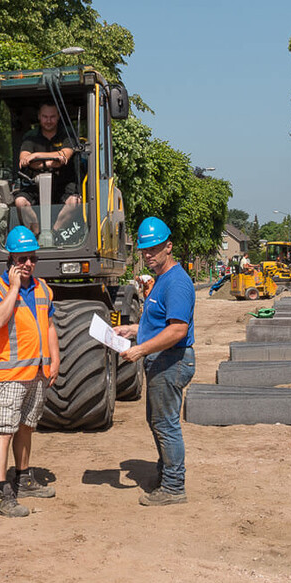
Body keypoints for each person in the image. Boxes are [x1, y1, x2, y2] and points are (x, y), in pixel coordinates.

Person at [0, 226, 60, 517]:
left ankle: (23, 479)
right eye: (22, 259)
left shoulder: (43, 288)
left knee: (26, 427)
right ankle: (0, 495)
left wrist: (54, 360)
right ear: (11, 260)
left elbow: (49, 327)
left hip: (36, 373)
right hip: (10, 376)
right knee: (4, 432)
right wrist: (13, 288)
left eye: (32, 258)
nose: (28, 264)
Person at [113, 217, 195, 506]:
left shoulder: (177, 283)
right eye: (144, 250)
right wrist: (131, 331)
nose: (148, 255)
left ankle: (173, 487)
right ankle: (166, 473)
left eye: (154, 249)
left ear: (168, 247)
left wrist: (139, 350)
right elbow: (161, 324)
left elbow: (177, 330)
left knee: (166, 423)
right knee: (157, 420)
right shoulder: (161, 281)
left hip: (172, 360)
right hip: (163, 359)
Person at [14, 103, 82, 238]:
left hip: (63, 186)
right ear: (39, 117)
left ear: (58, 117)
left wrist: (36, 156)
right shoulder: (31, 136)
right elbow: (24, 159)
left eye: (52, 117)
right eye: (45, 116)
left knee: (75, 202)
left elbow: (64, 157)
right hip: (35, 186)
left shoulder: (68, 134)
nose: (48, 120)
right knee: (20, 202)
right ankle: (36, 234)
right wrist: (52, 159)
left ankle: (55, 235)